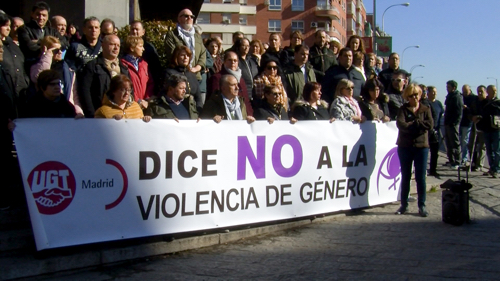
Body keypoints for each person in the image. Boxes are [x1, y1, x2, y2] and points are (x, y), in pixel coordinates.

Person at [395, 83, 433, 217]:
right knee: (405, 176)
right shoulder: (403, 110)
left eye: (416, 95)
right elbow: (401, 125)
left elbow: (429, 124)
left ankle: (422, 205)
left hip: (421, 147)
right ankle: (404, 204)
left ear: (420, 95)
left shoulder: (425, 109)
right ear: (407, 97)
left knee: (420, 177)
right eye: (411, 95)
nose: (414, 98)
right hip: (405, 146)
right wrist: (416, 125)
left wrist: (416, 124)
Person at [78, 34, 129, 117]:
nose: (116, 48)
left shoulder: (124, 68)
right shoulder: (92, 66)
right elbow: (84, 91)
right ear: (103, 45)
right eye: (112, 44)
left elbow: (130, 90)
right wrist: (92, 114)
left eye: (118, 46)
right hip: (99, 115)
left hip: (120, 115)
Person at [30, 36, 83, 115]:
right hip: (44, 110)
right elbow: (39, 77)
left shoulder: (68, 70)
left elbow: (74, 96)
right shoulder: (36, 66)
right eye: (56, 50)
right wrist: (47, 55)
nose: (60, 52)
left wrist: (78, 111)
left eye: (61, 49)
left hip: (65, 109)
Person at [164, 9, 206, 82]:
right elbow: (172, 54)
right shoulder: (172, 35)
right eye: (186, 16)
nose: (189, 18)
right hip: (179, 76)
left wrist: (197, 67)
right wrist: (186, 69)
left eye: (192, 16)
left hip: (196, 76)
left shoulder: (197, 36)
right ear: (179, 19)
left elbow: (203, 53)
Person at [207, 51, 253, 116]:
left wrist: (249, 115)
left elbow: (246, 101)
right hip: (223, 114)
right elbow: (215, 99)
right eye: (230, 60)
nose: (233, 62)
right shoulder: (217, 78)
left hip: (241, 114)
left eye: (235, 60)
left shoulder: (241, 79)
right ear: (224, 62)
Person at [0, 13, 29, 112]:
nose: (8, 29)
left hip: (20, 94)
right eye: (5, 26)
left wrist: (25, 81)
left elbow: (22, 65)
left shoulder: (14, 45)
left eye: (9, 26)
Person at [120, 36, 154, 108]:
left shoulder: (144, 64)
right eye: (140, 46)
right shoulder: (123, 65)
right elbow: (125, 85)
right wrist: (137, 100)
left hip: (145, 105)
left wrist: (147, 98)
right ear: (132, 48)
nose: (143, 49)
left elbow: (150, 83)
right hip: (130, 105)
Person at [474, 85, 500, 178]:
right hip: (486, 129)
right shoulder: (484, 102)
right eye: (493, 90)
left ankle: (496, 169)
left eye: (495, 90)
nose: (495, 92)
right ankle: (492, 168)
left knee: (496, 150)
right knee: (489, 150)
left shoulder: (498, 102)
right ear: (488, 91)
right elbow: (481, 113)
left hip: (496, 129)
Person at [165, 45, 201, 110]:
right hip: (176, 108)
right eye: (182, 55)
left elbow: (198, 97)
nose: (185, 58)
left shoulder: (192, 75)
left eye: (188, 56)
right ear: (176, 57)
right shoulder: (169, 73)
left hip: (193, 110)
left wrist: (199, 111)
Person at [129, 21, 161, 92]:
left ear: (143, 32)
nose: (134, 32)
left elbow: (156, 71)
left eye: (137, 29)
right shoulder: (124, 47)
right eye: (132, 29)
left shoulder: (149, 48)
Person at [444, 80, 464, 169]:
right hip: (448, 122)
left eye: (448, 87)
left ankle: (458, 161)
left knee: (455, 142)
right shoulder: (449, 96)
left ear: (453, 88)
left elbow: (459, 112)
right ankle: (451, 160)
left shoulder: (457, 97)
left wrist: (454, 122)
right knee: (449, 142)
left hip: (453, 123)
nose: (447, 89)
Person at [427, 86, 444, 178]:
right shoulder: (426, 103)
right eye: (433, 92)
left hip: (435, 131)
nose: (435, 93)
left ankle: (433, 169)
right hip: (427, 130)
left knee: (434, 152)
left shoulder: (439, 104)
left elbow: (441, 114)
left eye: (435, 92)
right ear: (428, 93)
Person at [459, 84, 477, 166]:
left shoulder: (474, 98)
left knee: (465, 141)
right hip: (460, 121)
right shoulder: (461, 97)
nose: (464, 93)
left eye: (466, 91)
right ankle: (461, 157)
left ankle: (465, 158)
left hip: (468, 122)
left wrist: (467, 108)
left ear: (469, 90)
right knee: (460, 140)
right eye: (463, 91)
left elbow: (474, 110)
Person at [471, 85, 487, 173]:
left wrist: (480, 117)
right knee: (471, 145)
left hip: (484, 127)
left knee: (481, 147)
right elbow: (470, 112)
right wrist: (472, 117)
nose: (480, 93)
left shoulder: (487, 102)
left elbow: (487, 114)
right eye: (478, 91)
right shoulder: (475, 102)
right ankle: (473, 162)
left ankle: (479, 165)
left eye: (481, 91)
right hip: (475, 125)